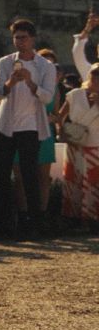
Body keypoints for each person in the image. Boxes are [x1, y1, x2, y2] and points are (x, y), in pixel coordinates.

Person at [0, 18, 56, 239]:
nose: (20, 42)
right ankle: (5, 223)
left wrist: (30, 82)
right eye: (16, 37)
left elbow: (48, 96)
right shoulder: (4, 62)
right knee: (2, 176)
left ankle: (34, 223)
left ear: (32, 39)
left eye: (24, 37)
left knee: (30, 176)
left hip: (31, 125)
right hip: (6, 125)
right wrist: (11, 82)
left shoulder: (45, 66)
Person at [55, 64, 99, 232]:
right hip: (75, 143)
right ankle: (72, 220)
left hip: (96, 145)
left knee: (93, 184)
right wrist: (63, 133)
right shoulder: (75, 94)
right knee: (74, 183)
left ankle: (92, 221)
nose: (95, 79)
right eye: (93, 75)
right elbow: (61, 115)